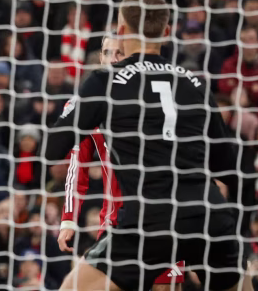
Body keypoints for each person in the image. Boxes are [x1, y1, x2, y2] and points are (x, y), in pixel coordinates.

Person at [47, 0, 249, 291]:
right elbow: (230, 170)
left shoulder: (107, 81)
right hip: (208, 216)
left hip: (148, 217)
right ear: (167, 32)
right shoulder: (194, 82)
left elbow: (53, 149)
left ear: (122, 30)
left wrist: (79, 107)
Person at [57, 34, 186, 289]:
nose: (114, 58)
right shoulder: (85, 105)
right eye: (107, 53)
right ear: (100, 58)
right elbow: (76, 169)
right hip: (116, 220)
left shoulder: (160, 99)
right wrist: (69, 219)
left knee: (164, 287)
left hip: (163, 217)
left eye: (120, 52)